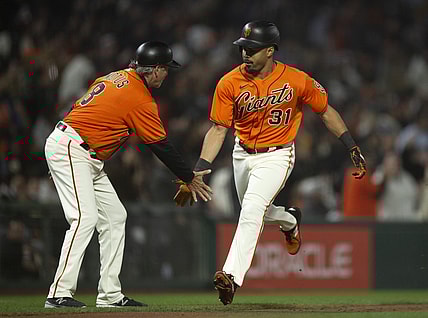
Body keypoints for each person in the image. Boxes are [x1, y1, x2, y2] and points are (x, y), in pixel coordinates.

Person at [173, 21, 367, 305]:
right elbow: (217, 130)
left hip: (278, 154)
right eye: (243, 48)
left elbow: (325, 111)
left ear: (271, 51)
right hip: (241, 154)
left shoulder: (297, 79)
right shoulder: (229, 82)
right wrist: (198, 170)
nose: (245, 53)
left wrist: (351, 145)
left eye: (252, 49)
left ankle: (231, 277)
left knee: (251, 209)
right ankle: (289, 220)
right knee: (258, 212)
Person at [44, 41, 212, 308]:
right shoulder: (139, 96)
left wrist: (58, 159)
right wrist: (189, 176)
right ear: (155, 70)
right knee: (84, 218)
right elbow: (160, 145)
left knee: (115, 217)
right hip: (73, 149)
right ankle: (58, 292)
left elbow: (83, 111)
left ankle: (109, 294)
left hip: (76, 149)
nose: (167, 74)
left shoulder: (115, 77)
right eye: (166, 69)